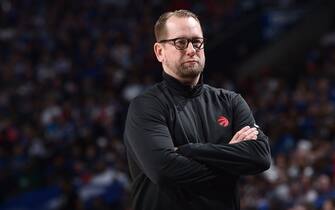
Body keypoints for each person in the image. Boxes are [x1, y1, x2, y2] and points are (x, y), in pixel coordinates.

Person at [124, 9, 271, 210]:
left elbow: (260, 156)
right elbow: (165, 171)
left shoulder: (231, 101)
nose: (192, 50)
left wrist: (190, 150)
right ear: (160, 52)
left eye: (197, 42)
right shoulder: (146, 106)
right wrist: (231, 158)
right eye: (181, 43)